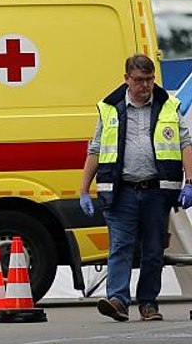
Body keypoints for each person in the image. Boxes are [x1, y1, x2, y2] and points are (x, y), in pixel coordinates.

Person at [79, 53, 192, 322]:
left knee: (153, 249)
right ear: (126, 79)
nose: (145, 86)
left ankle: (148, 303)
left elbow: (185, 143)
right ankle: (118, 299)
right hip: (121, 190)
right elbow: (95, 149)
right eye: (139, 80)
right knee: (120, 245)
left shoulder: (168, 106)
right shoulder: (110, 108)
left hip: (157, 191)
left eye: (149, 80)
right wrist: (83, 188)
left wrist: (190, 182)